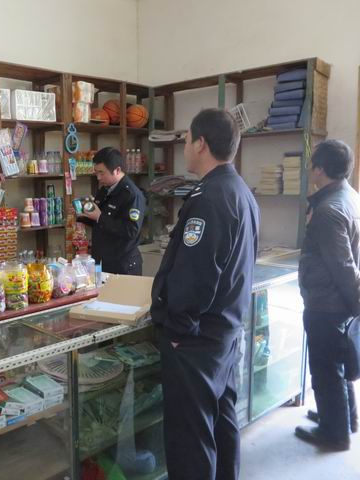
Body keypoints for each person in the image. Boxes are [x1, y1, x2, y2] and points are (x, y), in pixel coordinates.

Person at [150, 109, 259, 480]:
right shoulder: (240, 191)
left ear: (200, 144)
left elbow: (196, 275)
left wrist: (178, 330)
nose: (184, 147)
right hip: (225, 331)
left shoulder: (209, 197)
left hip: (197, 340)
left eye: (185, 140)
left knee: (190, 437)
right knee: (221, 420)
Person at [295, 139, 360, 451]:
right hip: (339, 301)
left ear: (320, 169)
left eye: (312, 165)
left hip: (327, 302)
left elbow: (342, 265)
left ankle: (334, 434)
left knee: (325, 368)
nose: (310, 170)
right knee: (339, 362)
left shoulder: (328, 209)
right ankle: (345, 419)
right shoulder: (350, 196)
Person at [77, 146, 146, 275]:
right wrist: (82, 215)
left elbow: (131, 230)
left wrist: (99, 217)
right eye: (96, 173)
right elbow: (100, 223)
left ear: (117, 170)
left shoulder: (132, 194)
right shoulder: (105, 189)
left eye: (101, 173)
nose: (98, 177)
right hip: (102, 261)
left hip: (123, 265)